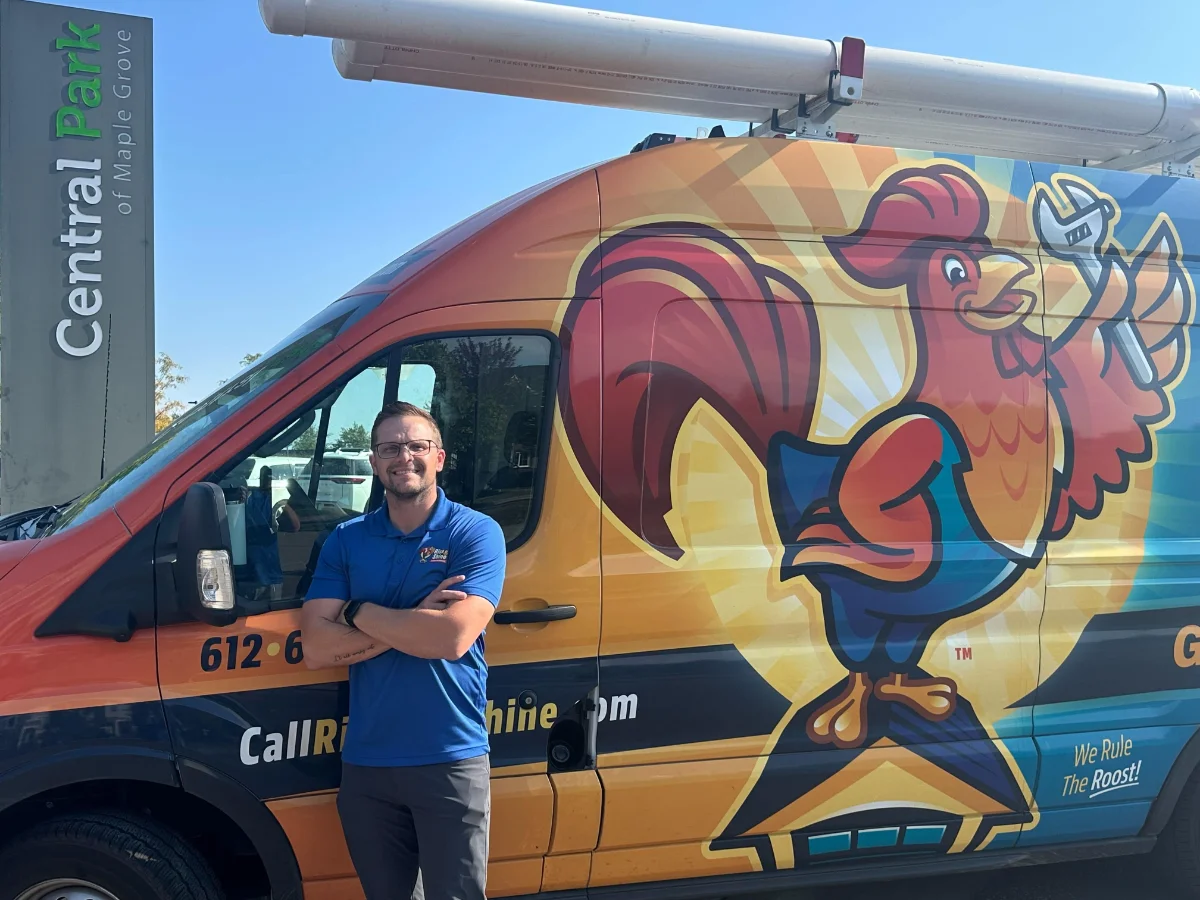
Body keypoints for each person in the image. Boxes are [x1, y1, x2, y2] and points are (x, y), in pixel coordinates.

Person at [300, 400, 506, 900]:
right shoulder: (347, 540)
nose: (403, 457)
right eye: (390, 448)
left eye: (416, 446)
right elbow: (315, 647)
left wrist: (357, 612)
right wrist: (415, 616)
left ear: (439, 457)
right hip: (368, 763)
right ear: (374, 462)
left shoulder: (474, 532)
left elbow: (450, 638)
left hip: (449, 757)